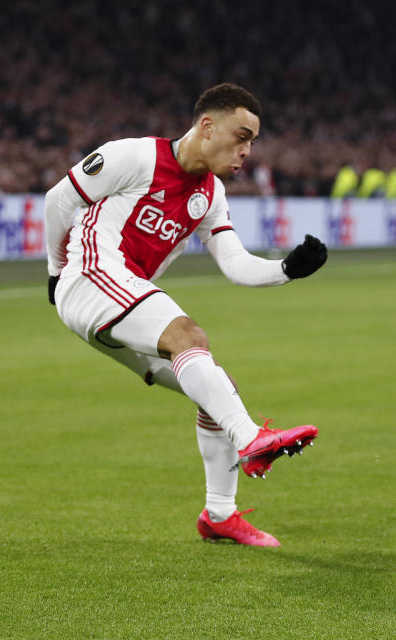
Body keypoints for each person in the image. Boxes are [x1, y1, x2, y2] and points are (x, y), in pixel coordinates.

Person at [44, 83, 329, 546]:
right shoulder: (134, 157)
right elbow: (58, 200)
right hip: (90, 278)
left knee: (218, 391)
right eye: (241, 137)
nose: (246, 152)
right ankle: (251, 438)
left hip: (119, 303)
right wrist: (57, 273)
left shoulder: (210, 193)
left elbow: (234, 262)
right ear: (207, 125)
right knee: (189, 336)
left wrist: (286, 269)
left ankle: (219, 515)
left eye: (252, 142)